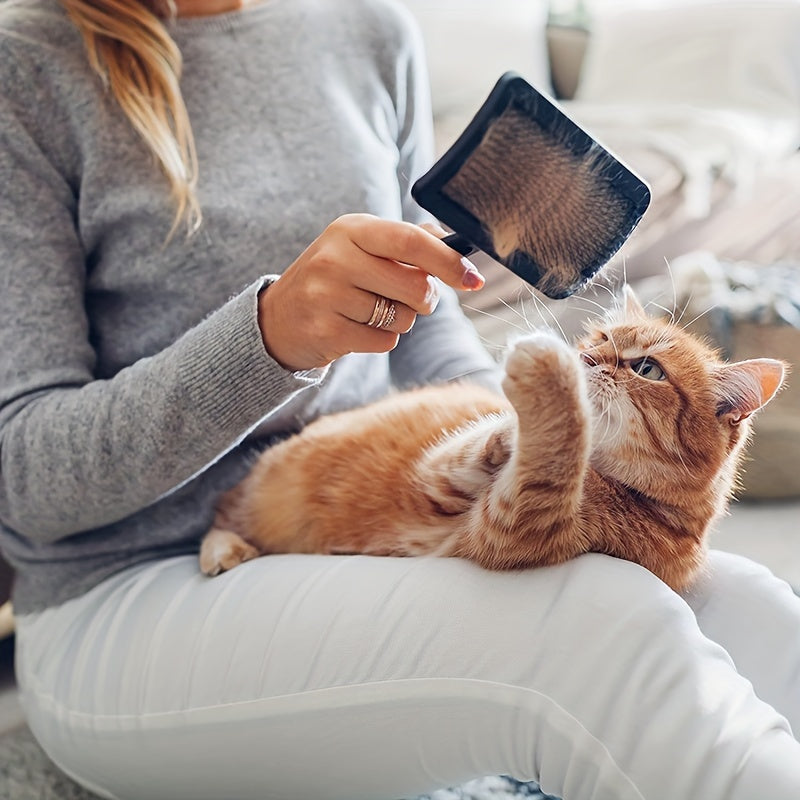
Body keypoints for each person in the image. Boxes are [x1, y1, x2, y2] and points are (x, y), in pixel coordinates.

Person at [1, 1, 799, 798]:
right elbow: (25, 482)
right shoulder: (26, 65)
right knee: (591, 627)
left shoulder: (367, 27)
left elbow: (425, 322)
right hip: (129, 591)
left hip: (383, 528)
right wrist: (269, 339)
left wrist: (526, 448)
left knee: (741, 604)